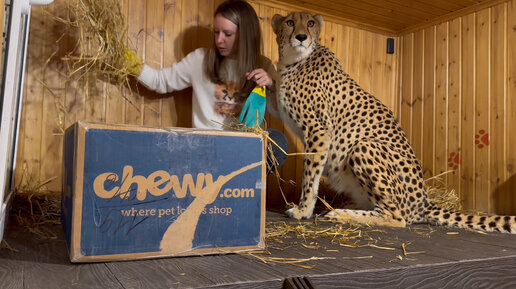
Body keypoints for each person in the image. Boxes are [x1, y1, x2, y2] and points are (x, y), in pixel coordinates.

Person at [132, 0, 287, 170]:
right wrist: (127, 62)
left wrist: (272, 85)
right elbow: (159, 81)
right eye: (216, 32)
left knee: (278, 143)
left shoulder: (263, 64)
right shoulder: (200, 59)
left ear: (246, 35)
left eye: (227, 34)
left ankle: (244, 185)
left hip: (242, 148)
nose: (219, 40)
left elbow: (280, 115)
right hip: (204, 146)